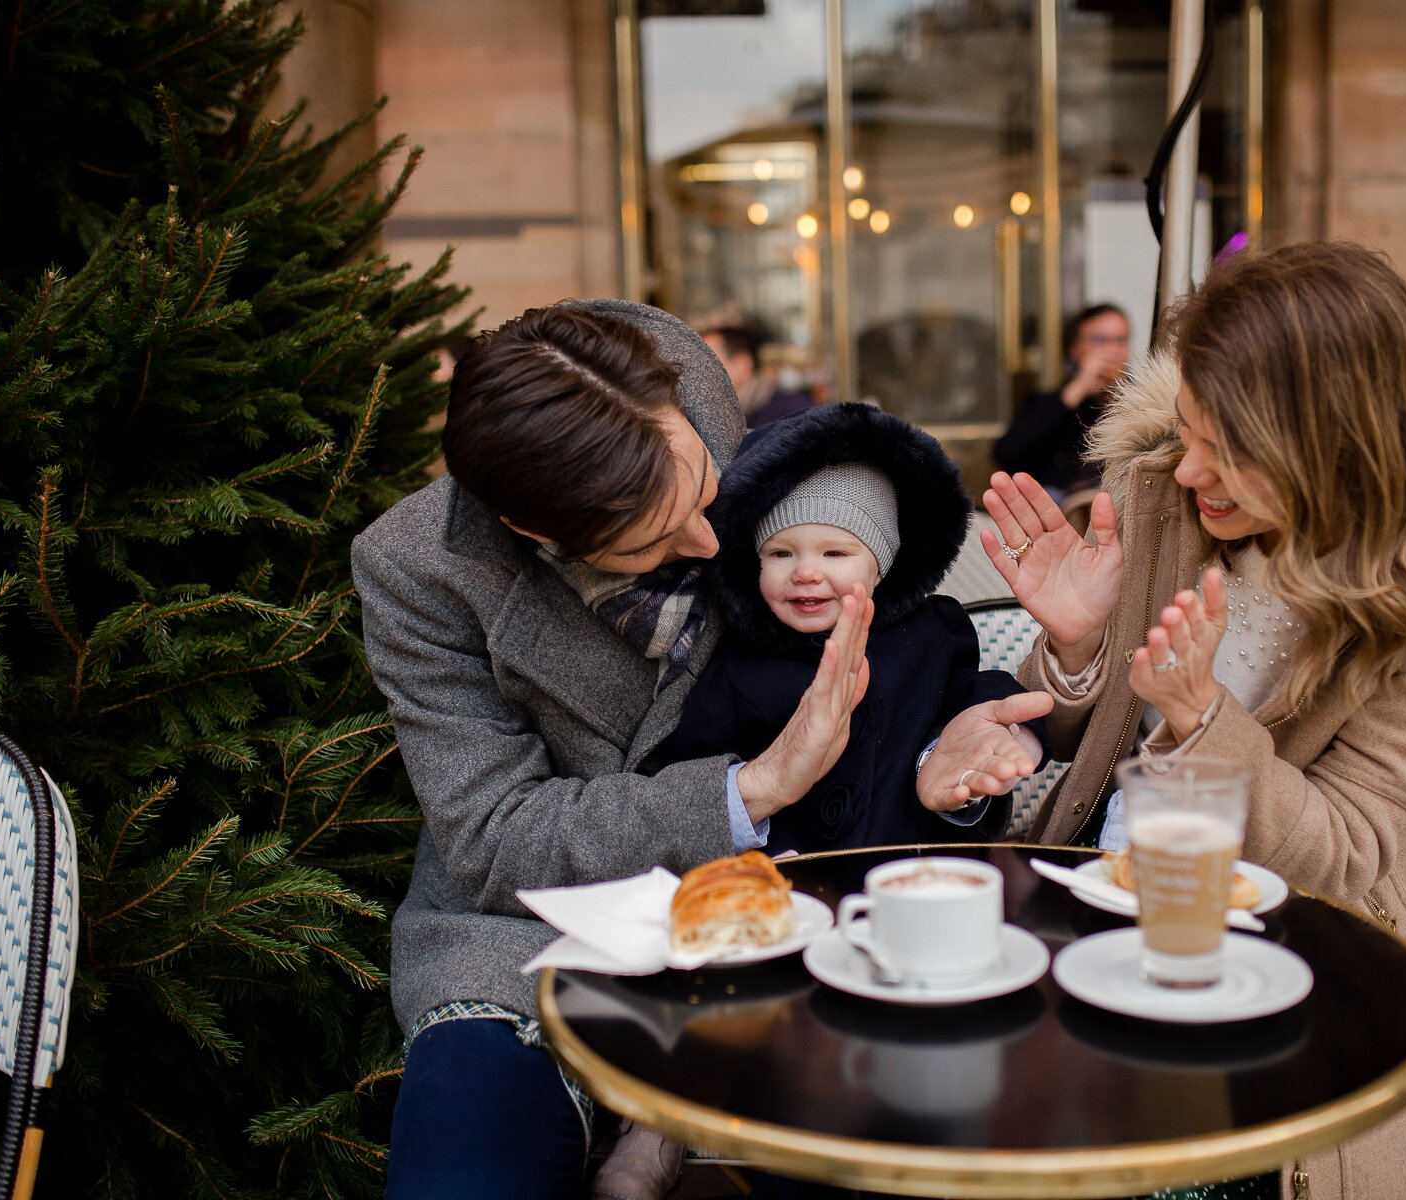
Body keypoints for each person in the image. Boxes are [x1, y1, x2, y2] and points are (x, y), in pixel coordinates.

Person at [350, 299, 1050, 1200]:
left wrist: (1018, 687)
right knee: (467, 1173)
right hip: (535, 923)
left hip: (783, 892)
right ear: (537, 535)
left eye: (702, 490)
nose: (711, 543)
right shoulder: (422, 569)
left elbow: (888, 613)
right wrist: (749, 788)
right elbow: (495, 838)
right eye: (655, 537)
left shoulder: (692, 392)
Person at [981, 243, 1406, 1200]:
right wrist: (1074, 650)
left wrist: (1202, 718)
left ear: (1331, 440)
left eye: (1226, 449)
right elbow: (1092, 747)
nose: (1186, 467)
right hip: (1100, 908)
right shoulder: (1164, 494)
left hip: (1303, 957)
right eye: (1185, 430)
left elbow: (1348, 851)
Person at [661, 401, 1048, 853]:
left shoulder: (930, 636)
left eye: (835, 554)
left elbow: (973, 698)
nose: (805, 572)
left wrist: (1012, 734)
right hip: (800, 892)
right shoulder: (736, 664)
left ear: (880, 566)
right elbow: (699, 771)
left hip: (918, 872)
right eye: (781, 554)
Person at [992, 303, 1133, 498]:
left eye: (1120, 340)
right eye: (1099, 340)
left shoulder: (1138, 400)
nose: (1111, 350)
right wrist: (1077, 389)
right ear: (1075, 349)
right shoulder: (1049, 402)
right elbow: (1007, 453)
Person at [703, 323, 817, 427]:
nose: (699, 374)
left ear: (742, 364)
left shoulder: (794, 413)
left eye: (707, 364)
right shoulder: (710, 417)